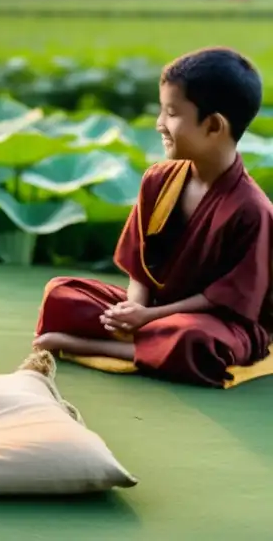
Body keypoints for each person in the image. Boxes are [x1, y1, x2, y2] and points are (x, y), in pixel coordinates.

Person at [34, 47, 273, 388]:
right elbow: (139, 263)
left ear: (214, 125)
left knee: (196, 342)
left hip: (217, 322)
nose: (160, 124)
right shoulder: (158, 179)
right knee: (60, 292)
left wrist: (148, 317)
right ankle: (137, 340)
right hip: (154, 307)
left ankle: (90, 346)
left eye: (172, 113)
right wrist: (131, 311)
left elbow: (229, 299)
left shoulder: (253, 209)